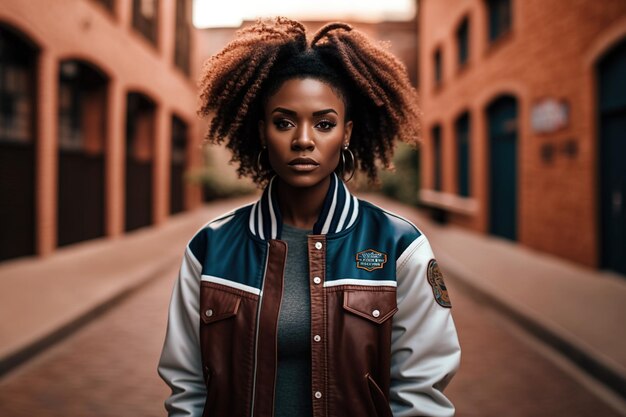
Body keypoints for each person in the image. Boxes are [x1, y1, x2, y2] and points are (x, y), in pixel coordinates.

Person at [157, 16, 461, 417]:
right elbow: (187, 388)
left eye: (324, 123)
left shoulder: (400, 246)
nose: (303, 140)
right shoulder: (210, 248)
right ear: (263, 131)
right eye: (284, 122)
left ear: (347, 133)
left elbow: (421, 393)